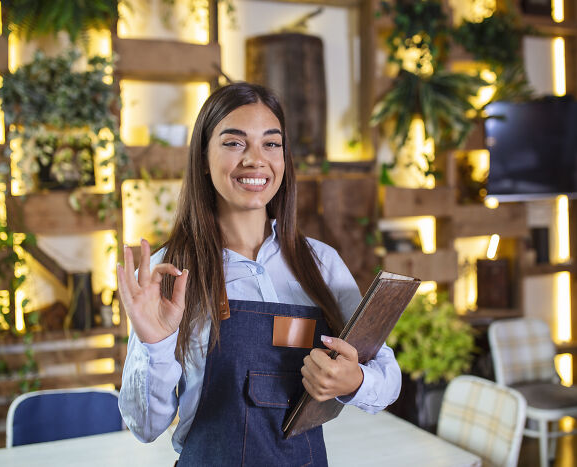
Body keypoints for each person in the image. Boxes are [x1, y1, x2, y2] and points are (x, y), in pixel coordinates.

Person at [117, 82, 401, 465]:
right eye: (234, 143)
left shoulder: (320, 263)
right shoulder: (170, 272)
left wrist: (355, 382)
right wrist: (153, 345)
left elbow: (387, 373)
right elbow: (145, 426)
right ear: (203, 157)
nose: (256, 159)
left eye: (271, 144)